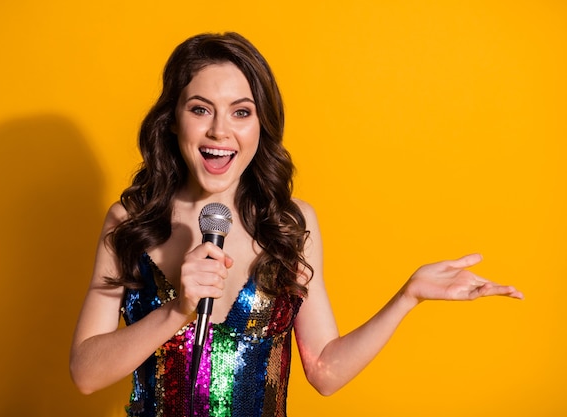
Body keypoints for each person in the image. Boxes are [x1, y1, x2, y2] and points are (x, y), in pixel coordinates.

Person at [69, 32, 523, 417]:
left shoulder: (291, 223)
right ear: (172, 120)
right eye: (201, 109)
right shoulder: (129, 222)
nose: (220, 132)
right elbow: (86, 374)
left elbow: (325, 372)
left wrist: (408, 296)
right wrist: (177, 309)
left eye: (241, 112)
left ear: (261, 124)